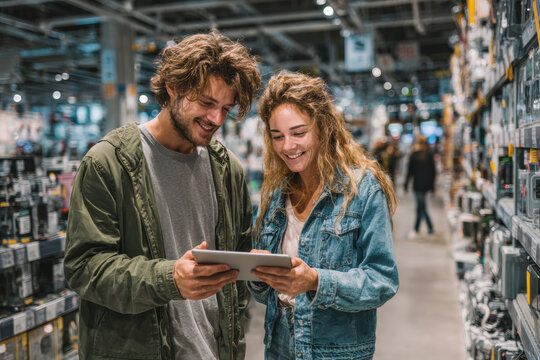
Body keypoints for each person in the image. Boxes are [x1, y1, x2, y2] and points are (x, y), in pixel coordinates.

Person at [64, 31, 261, 360]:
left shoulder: (229, 172)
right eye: (206, 102)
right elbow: (84, 267)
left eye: (226, 108)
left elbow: (235, 283)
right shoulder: (109, 164)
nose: (216, 119)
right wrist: (169, 278)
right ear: (173, 87)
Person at [248, 72, 399, 360]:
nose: (287, 147)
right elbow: (267, 296)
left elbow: (383, 280)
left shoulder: (362, 189)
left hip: (336, 351)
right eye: (277, 136)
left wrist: (316, 281)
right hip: (279, 345)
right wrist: (258, 276)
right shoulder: (277, 194)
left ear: (323, 128)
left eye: (298, 133)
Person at [404, 135, 436, 235]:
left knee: (421, 207)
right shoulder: (429, 155)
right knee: (420, 206)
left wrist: (406, 185)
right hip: (426, 185)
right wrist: (432, 186)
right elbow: (433, 172)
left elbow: (409, 172)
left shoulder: (413, 155)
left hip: (417, 185)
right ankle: (418, 228)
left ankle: (428, 227)